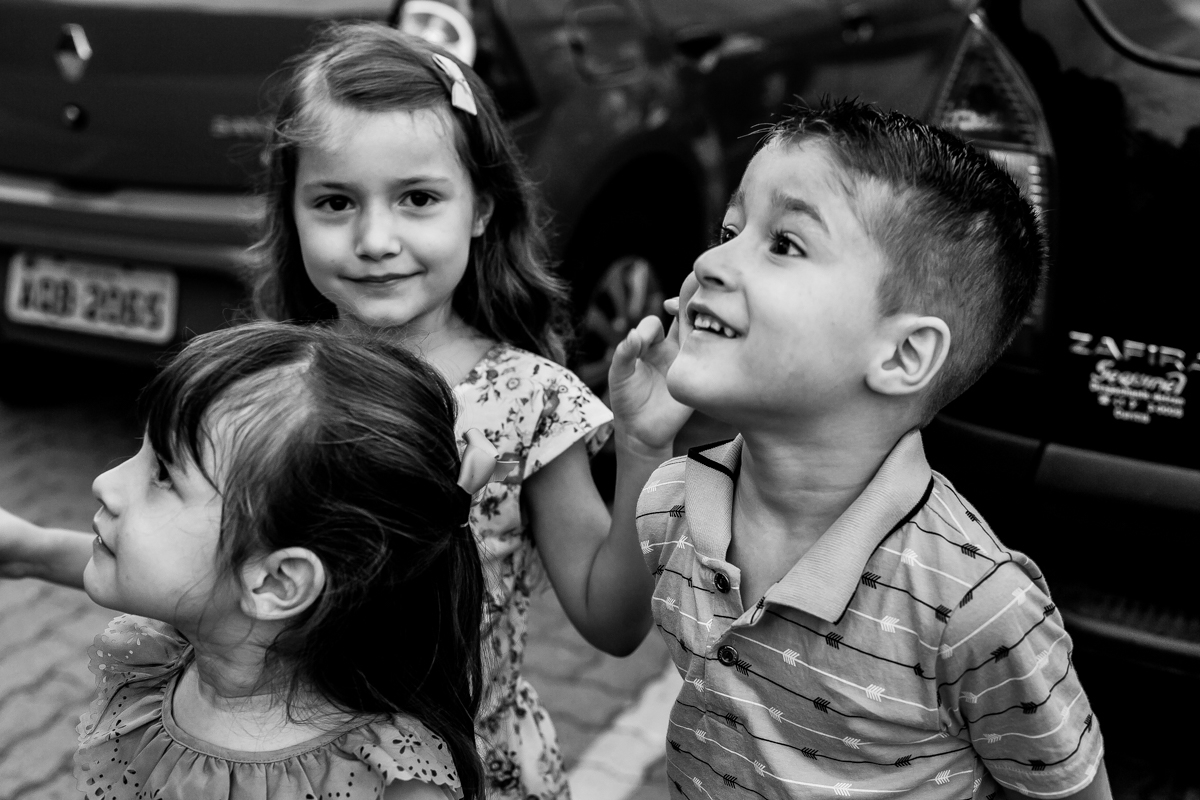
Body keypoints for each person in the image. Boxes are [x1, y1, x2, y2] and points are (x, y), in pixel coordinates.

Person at [0, 22, 668, 800]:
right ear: (290, 209)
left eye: (417, 198)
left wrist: (645, 454)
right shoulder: (272, 379)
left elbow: (613, 625)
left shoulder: (531, 401)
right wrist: (30, 548)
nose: (375, 238)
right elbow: (194, 565)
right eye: (335, 201)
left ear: (482, 208)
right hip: (269, 768)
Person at [625, 99, 1112, 799]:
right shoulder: (672, 500)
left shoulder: (978, 608)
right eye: (729, 229)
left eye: (784, 243)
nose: (710, 261)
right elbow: (608, 619)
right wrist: (638, 442)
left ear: (905, 353)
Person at [14, 321, 494, 799]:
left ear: (276, 584)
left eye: (163, 474)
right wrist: (26, 549)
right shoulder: (159, 659)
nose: (106, 482)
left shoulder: (387, 783)